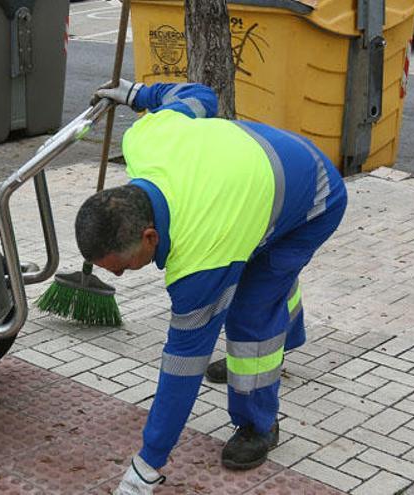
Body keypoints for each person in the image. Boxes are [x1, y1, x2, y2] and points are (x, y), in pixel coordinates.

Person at [78, 80, 348, 494]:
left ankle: (258, 424)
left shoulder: (201, 263)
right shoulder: (146, 138)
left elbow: (183, 363)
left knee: (250, 313)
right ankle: (286, 324)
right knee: (260, 277)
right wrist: (137, 94)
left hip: (313, 197)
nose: (117, 276)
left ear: (150, 237)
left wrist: (148, 464)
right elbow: (197, 95)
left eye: (123, 266)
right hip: (263, 171)